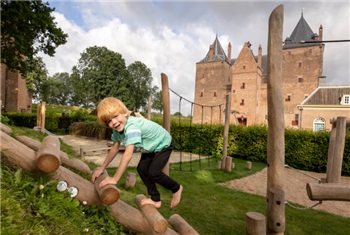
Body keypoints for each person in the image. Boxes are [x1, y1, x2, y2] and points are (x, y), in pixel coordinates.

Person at [91, 97, 183, 208]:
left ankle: (176, 188)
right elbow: (114, 149)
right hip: (150, 147)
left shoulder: (132, 127)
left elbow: (128, 155)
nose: (114, 122)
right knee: (142, 169)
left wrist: (115, 179)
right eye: (109, 121)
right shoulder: (117, 130)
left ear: (125, 113)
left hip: (163, 143)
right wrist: (102, 168)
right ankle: (155, 199)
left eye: (115, 116)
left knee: (154, 173)